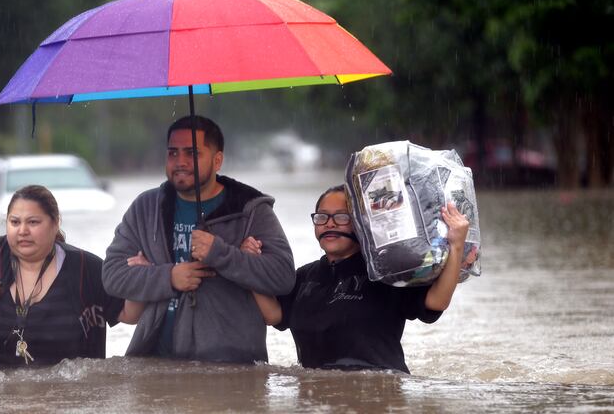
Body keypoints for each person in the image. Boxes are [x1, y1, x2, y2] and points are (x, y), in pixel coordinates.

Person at [102, 115, 295, 363]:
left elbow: (283, 276)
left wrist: (221, 254)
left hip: (231, 368)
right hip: (154, 362)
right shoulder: (146, 207)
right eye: (173, 153)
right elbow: (112, 276)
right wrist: (169, 276)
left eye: (192, 153)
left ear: (217, 160)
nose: (180, 162)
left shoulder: (249, 210)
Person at [0, 184, 141, 369]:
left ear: (55, 223)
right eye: (15, 222)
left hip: (67, 399)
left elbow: (127, 313)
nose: (22, 231)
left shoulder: (86, 268)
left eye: (33, 222)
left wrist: (139, 278)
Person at [273, 185, 470, 373]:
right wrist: (246, 263)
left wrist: (457, 245)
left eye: (342, 217)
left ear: (361, 223)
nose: (329, 224)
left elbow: (437, 301)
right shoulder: (305, 277)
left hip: (379, 394)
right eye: (322, 217)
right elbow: (272, 315)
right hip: (314, 403)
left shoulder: (386, 271)